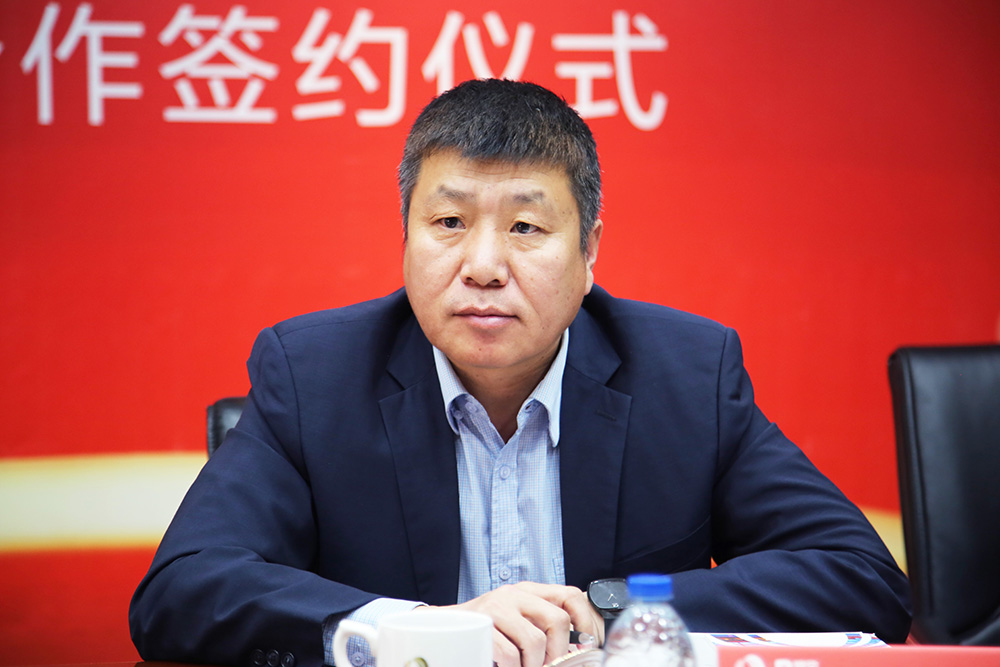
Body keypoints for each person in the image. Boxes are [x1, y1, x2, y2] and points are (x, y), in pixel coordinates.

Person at [129, 79, 911, 667]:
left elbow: (860, 578)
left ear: (590, 250)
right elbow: (181, 591)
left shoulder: (686, 375)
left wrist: (606, 611)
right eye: (449, 222)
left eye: (527, 227)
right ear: (404, 238)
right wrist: (414, 630)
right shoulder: (314, 376)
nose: (483, 265)